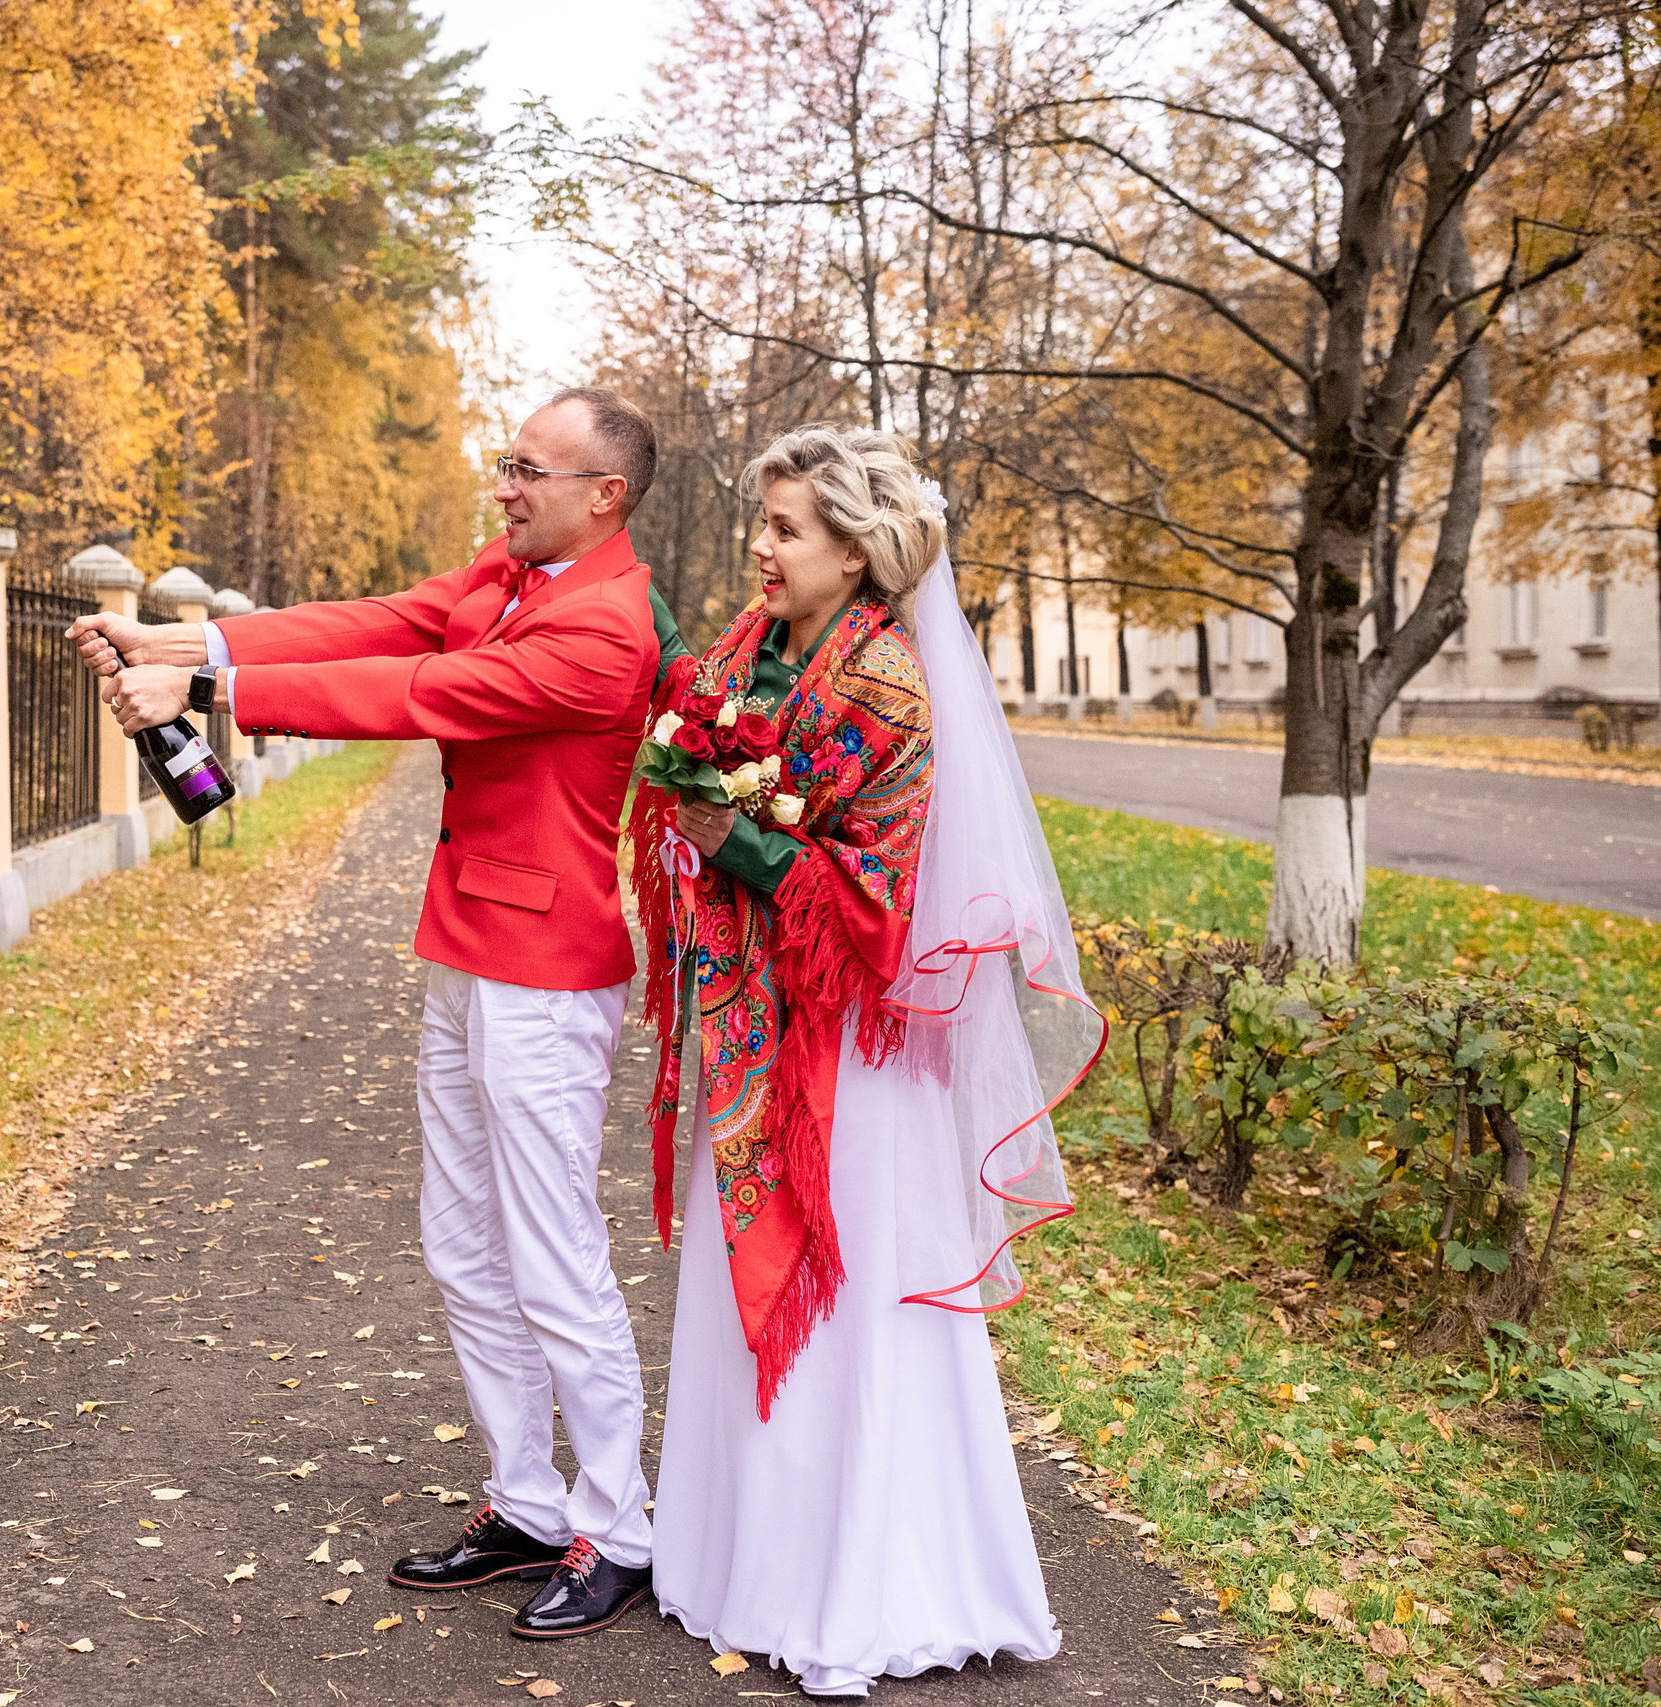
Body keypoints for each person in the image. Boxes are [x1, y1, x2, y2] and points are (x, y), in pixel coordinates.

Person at [66, 388, 682, 1641]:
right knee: (460, 1245)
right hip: (466, 948)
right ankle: (523, 1501)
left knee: (555, 1261)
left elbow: (420, 688)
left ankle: (620, 1531)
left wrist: (189, 673)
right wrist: (191, 644)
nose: (504, 488)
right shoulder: (505, 576)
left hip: (549, 972)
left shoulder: (609, 626)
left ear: (604, 495)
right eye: (505, 464)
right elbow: (377, 621)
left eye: (531, 472)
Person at [629, 427, 1100, 1692]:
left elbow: (878, 902)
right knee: (739, 1288)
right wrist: (689, 822)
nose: (761, 548)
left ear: (858, 550)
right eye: (765, 524)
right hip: (750, 1025)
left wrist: (732, 842)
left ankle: (870, 1582)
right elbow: (695, 769)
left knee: (856, 1307)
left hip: (849, 1053)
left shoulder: (888, 687)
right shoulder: (739, 657)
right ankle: (740, 1567)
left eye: (785, 529)